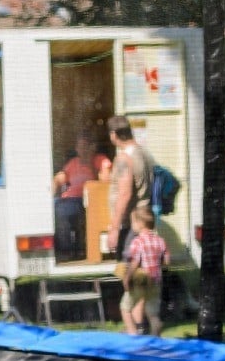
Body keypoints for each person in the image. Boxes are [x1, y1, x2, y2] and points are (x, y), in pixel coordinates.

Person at [52, 132, 111, 259]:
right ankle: (66, 251)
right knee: (57, 207)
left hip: (89, 200)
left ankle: (74, 250)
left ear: (92, 147)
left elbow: (105, 181)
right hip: (70, 200)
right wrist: (56, 181)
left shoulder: (100, 160)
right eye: (79, 147)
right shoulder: (73, 162)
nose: (81, 150)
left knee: (63, 211)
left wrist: (89, 162)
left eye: (85, 146)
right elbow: (62, 176)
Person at [106, 115, 154, 259]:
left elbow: (124, 194)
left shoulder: (124, 158)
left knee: (128, 273)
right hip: (143, 221)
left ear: (114, 134)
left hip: (131, 226)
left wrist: (114, 229)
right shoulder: (143, 153)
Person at [120, 206, 170, 336]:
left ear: (140, 224)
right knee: (152, 312)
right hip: (156, 282)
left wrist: (127, 277)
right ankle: (155, 332)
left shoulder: (137, 242)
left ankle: (132, 333)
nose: (132, 226)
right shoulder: (160, 241)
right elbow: (167, 261)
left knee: (125, 307)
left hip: (140, 281)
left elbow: (135, 263)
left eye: (133, 223)